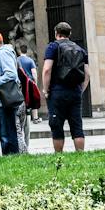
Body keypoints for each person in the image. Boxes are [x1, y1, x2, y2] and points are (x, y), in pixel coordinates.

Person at [40, 22, 91, 155]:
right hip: (75, 92)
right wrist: (81, 90)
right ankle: (80, 155)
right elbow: (87, 74)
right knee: (77, 126)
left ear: (56, 33)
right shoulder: (80, 49)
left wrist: (46, 90)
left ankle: (59, 156)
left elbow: (46, 70)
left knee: (57, 125)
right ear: (70, 34)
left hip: (57, 91)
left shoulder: (52, 47)